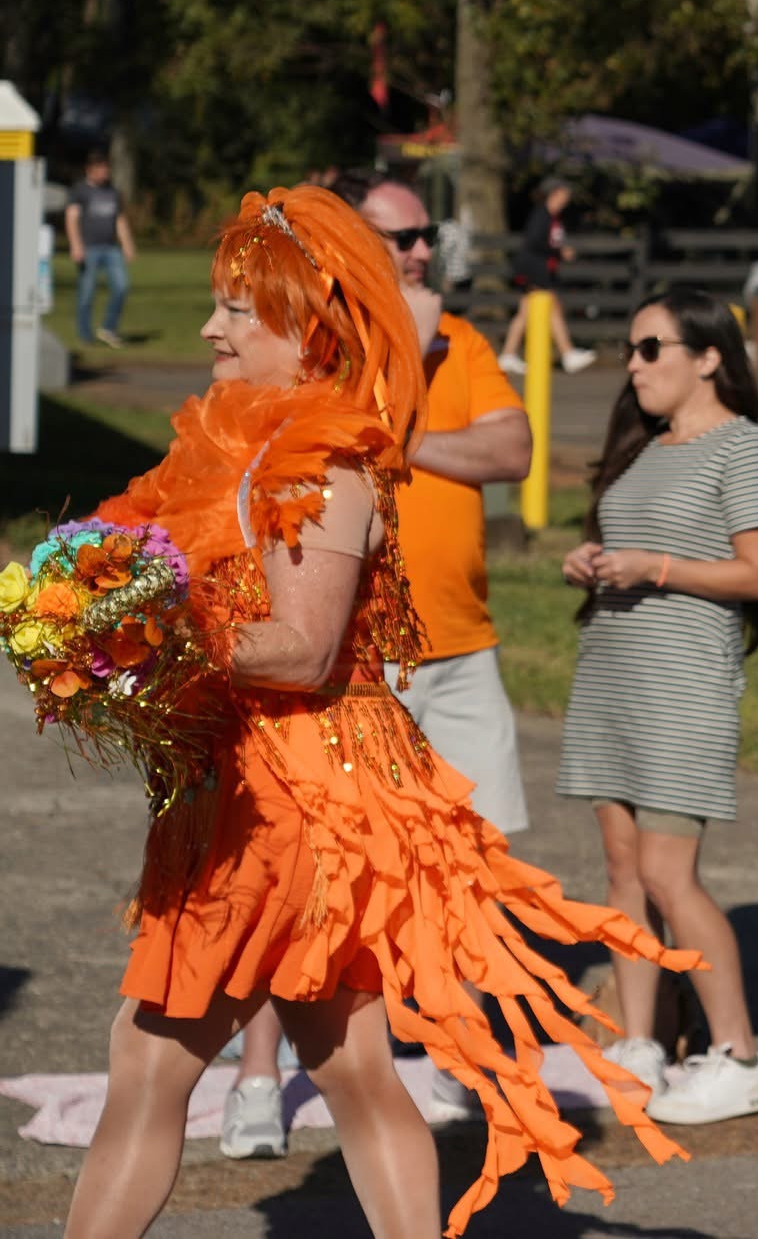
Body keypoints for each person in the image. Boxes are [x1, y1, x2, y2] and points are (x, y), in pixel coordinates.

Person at [66, 185, 699, 1239]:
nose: (209, 327)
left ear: (305, 321)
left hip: (300, 800)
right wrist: (87, 624)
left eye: (235, 308)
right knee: (352, 1067)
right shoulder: (237, 445)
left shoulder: (327, 457)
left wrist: (147, 640)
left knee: (149, 1058)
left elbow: (306, 648)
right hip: (248, 783)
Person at [219, 176, 539, 1157]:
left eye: (425, 235)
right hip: (351, 667)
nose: (418, 252)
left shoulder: (456, 342)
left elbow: (513, 450)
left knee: (473, 857)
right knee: (297, 878)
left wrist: (408, 421)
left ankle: (451, 1052)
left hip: (455, 643)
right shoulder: (304, 344)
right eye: (398, 237)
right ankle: (255, 1076)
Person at [557, 286, 758, 1127]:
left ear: (708, 357)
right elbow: (636, 540)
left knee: (669, 874)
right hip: (613, 677)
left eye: (650, 349)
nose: (633, 366)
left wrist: (652, 567)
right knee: (624, 873)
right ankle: (640, 1045)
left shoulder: (747, 450)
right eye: (632, 350)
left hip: (682, 688)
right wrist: (590, 559)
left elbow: (756, 572)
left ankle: (737, 1054)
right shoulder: (644, 446)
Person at [500, 177, 596, 374]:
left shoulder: (551, 217)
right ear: (555, 194)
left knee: (526, 311)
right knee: (551, 305)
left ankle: (508, 354)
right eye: (564, 195)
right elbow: (534, 242)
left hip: (539, 268)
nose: (566, 200)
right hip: (534, 268)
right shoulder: (541, 216)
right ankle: (567, 352)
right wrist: (559, 252)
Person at [66, 151, 136, 349]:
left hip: (111, 247)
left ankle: (108, 327)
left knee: (122, 286)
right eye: (100, 169)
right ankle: (85, 335)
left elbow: (120, 219)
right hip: (89, 248)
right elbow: (71, 218)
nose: (104, 173)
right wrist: (75, 244)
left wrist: (128, 244)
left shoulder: (112, 191)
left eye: (106, 168)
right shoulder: (80, 191)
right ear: (90, 170)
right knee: (87, 292)